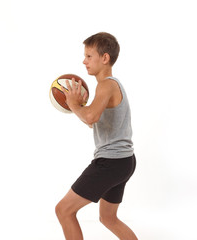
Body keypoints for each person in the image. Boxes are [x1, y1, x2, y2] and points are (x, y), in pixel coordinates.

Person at [55, 32, 138, 240]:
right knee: (108, 218)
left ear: (105, 58)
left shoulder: (106, 84)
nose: (84, 61)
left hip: (110, 163)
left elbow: (90, 117)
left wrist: (74, 105)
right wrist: (80, 107)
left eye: (89, 56)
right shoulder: (110, 86)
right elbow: (94, 121)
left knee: (63, 210)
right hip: (124, 161)